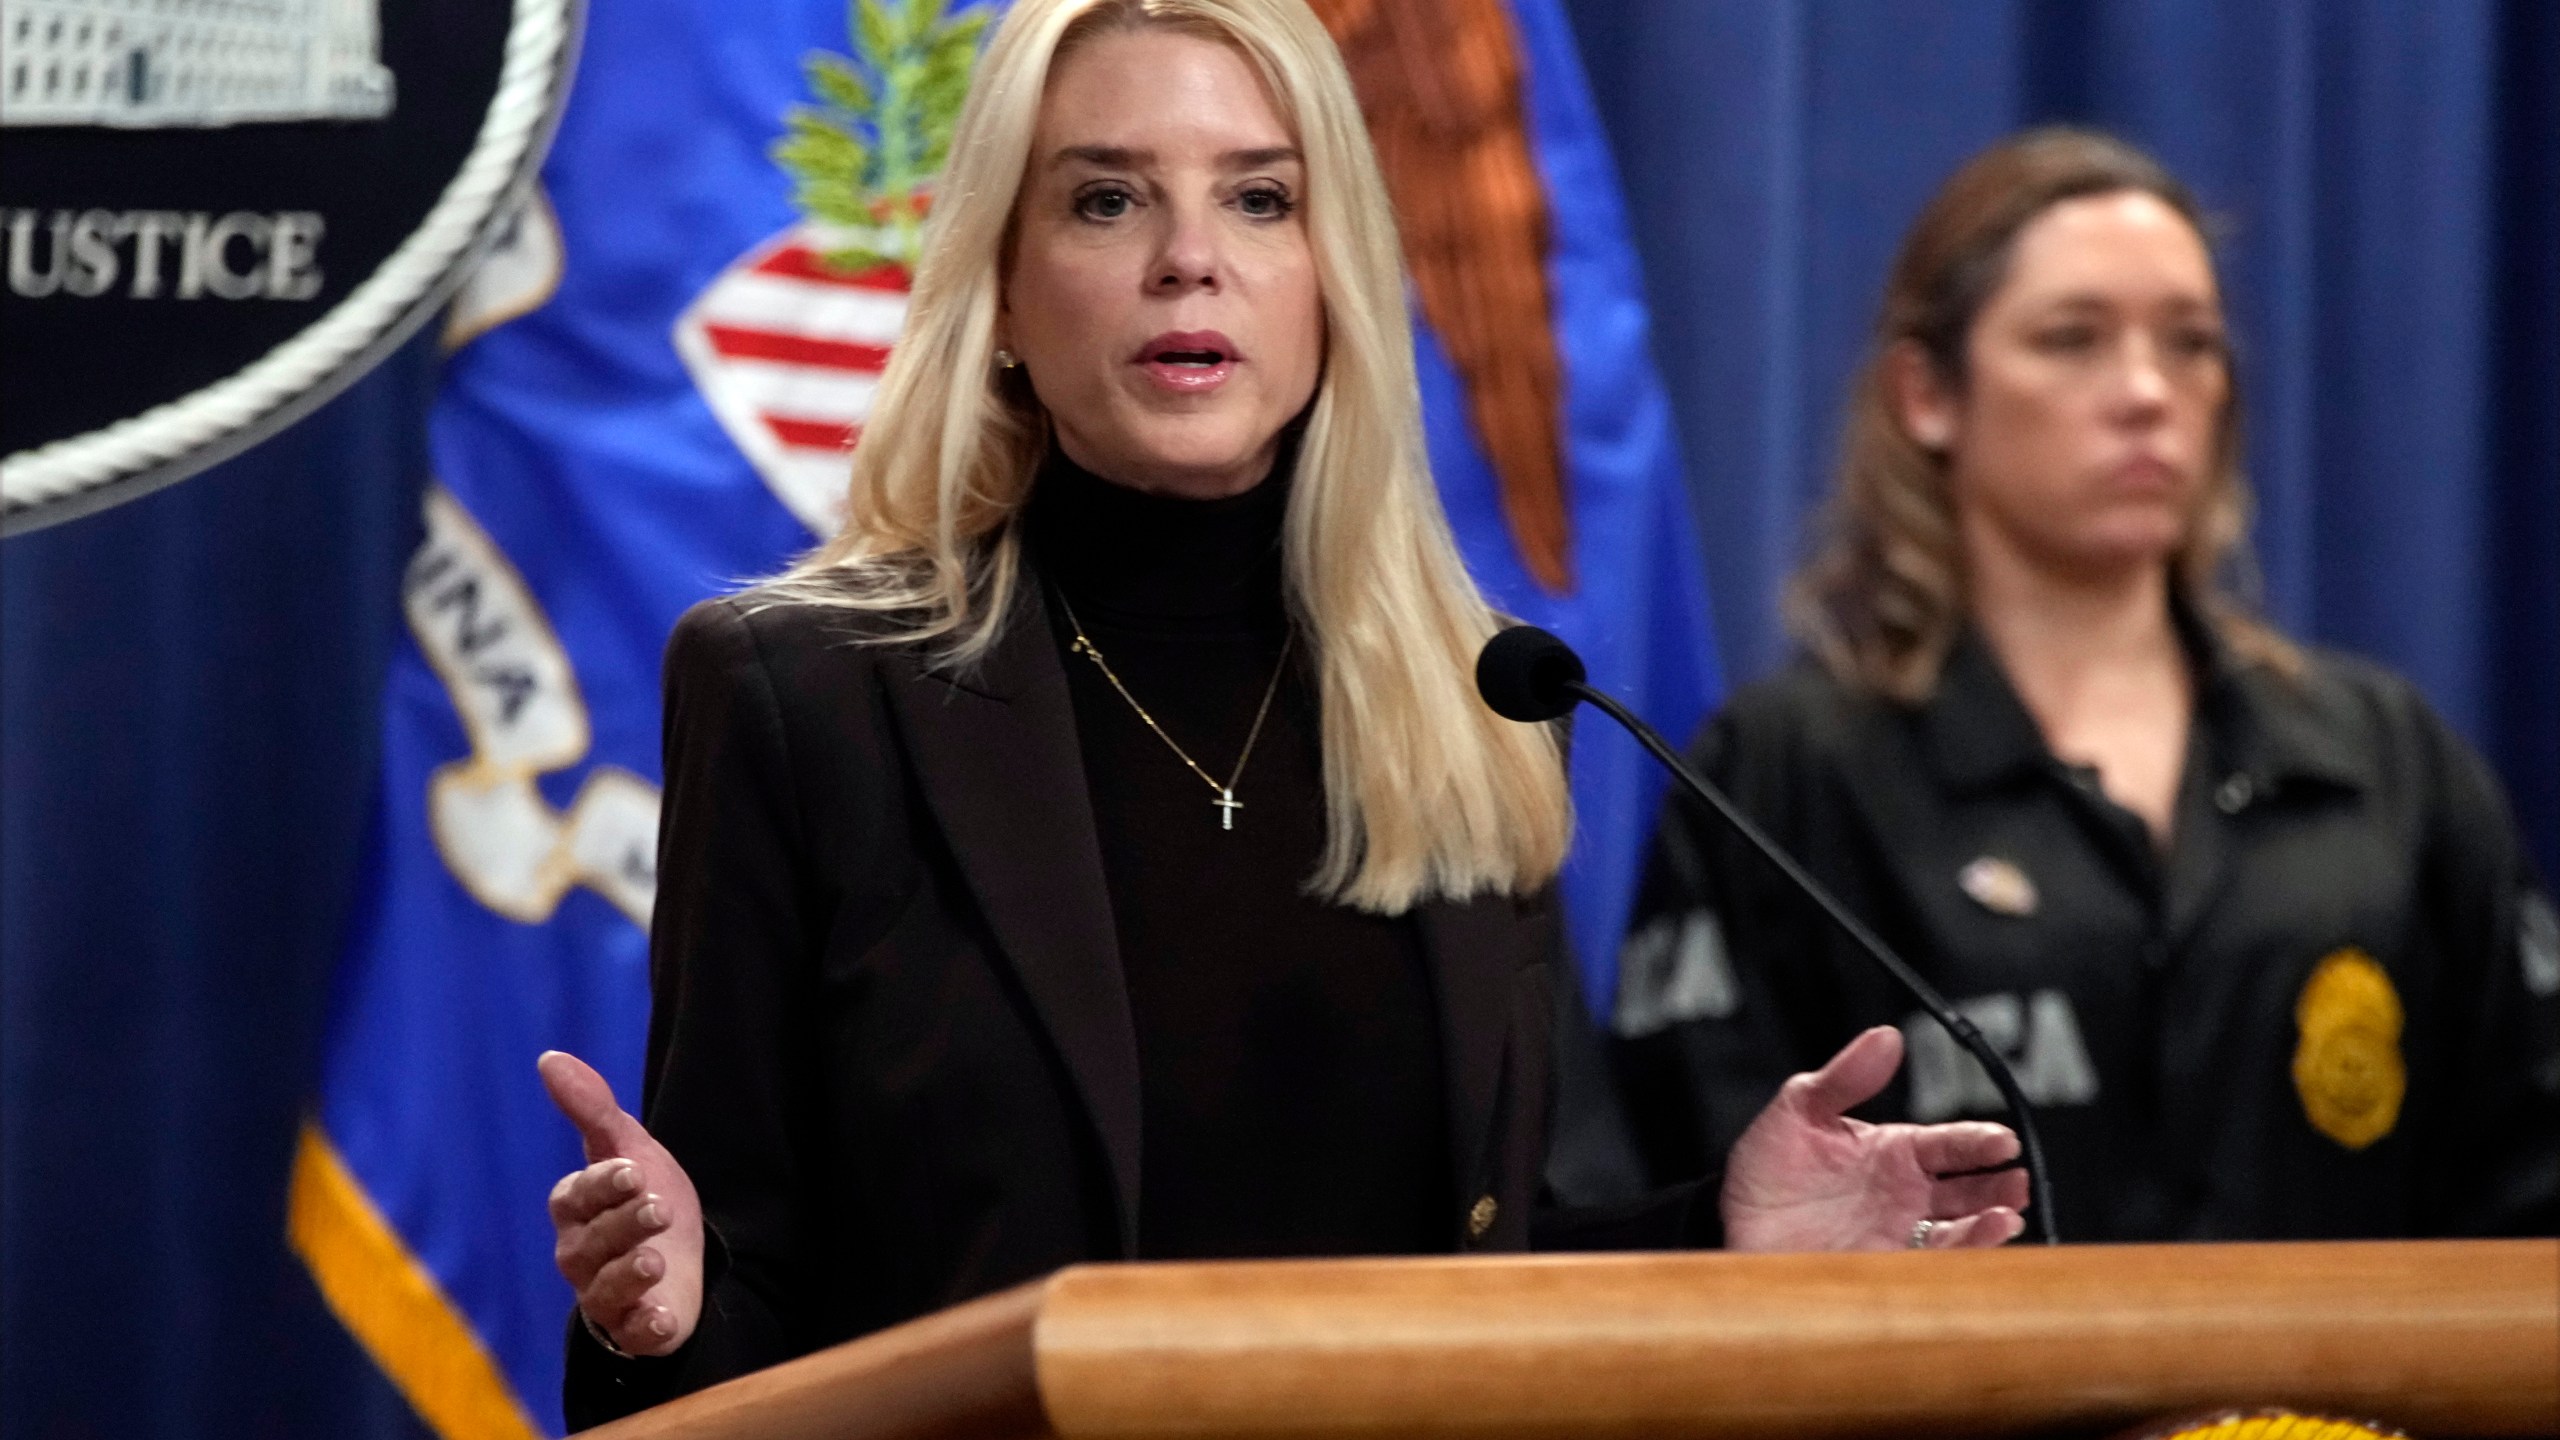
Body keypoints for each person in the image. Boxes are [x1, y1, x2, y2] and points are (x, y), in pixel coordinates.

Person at [535, 0, 2032, 1423]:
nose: (1192, 260)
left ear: (1337, 281)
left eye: (1260, 200)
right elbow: (738, 1317)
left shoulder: (1477, 694)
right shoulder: (808, 695)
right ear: (998, 288)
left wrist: (1723, 1237)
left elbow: (1498, 1274)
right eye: (1106, 201)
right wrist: (655, 1308)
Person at [1611, 128, 2560, 1244]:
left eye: (2192, 343)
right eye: (2072, 340)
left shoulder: (2383, 756)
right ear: (1926, 395)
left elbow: (2524, 1181)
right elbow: (1700, 1204)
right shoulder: (1782, 774)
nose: (2147, 392)